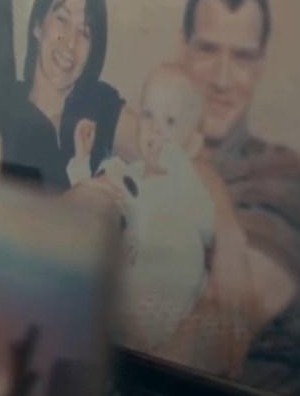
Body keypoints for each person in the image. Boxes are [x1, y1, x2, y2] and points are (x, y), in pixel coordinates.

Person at [173, 0, 300, 394]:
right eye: (208, 49)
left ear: (260, 65)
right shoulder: (157, 163)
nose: (223, 80)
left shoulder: (285, 179)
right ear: (183, 49)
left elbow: (206, 343)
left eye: (242, 57)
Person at [68, 63, 215, 352]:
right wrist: (81, 161)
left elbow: (208, 226)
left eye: (170, 121)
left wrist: (178, 163)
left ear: (193, 143)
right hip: (125, 299)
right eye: (148, 115)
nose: (155, 129)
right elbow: (89, 205)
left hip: (168, 297)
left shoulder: (185, 186)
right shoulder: (127, 173)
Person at [0, 0, 137, 188]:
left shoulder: (101, 104)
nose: (70, 43)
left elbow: (167, 151)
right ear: (38, 24)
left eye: (85, 32)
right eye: (62, 19)